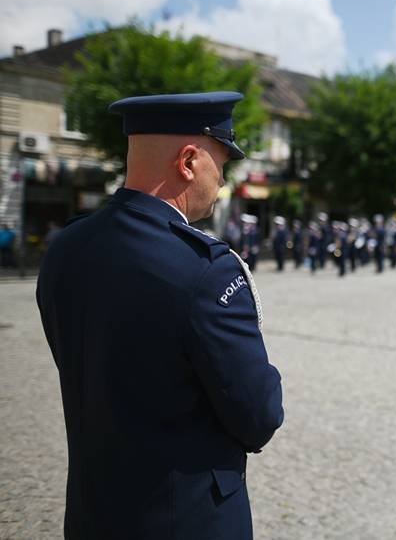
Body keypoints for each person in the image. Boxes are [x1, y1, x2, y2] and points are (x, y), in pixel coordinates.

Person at [36, 92, 283, 539]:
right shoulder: (206, 269)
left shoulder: (66, 248)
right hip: (185, 519)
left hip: (93, 515)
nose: (221, 181)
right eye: (220, 165)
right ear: (188, 162)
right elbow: (259, 416)